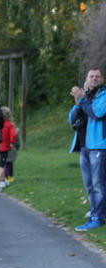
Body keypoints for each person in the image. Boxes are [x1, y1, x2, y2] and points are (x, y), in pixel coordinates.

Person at [71, 68, 106, 231]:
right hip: (84, 146)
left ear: (102, 79)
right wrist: (78, 103)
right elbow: (71, 119)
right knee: (89, 184)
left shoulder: (103, 95)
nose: (94, 78)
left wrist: (83, 100)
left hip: (99, 146)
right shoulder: (86, 96)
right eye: (91, 76)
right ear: (86, 79)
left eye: (97, 76)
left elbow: (97, 113)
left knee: (98, 183)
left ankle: (97, 217)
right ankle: (96, 211)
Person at [0, 106, 18, 192]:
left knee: (2, 163)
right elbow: (14, 135)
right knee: (1, 165)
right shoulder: (10, 125)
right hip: (5, 147)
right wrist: (12, 142)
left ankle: (3, 181)